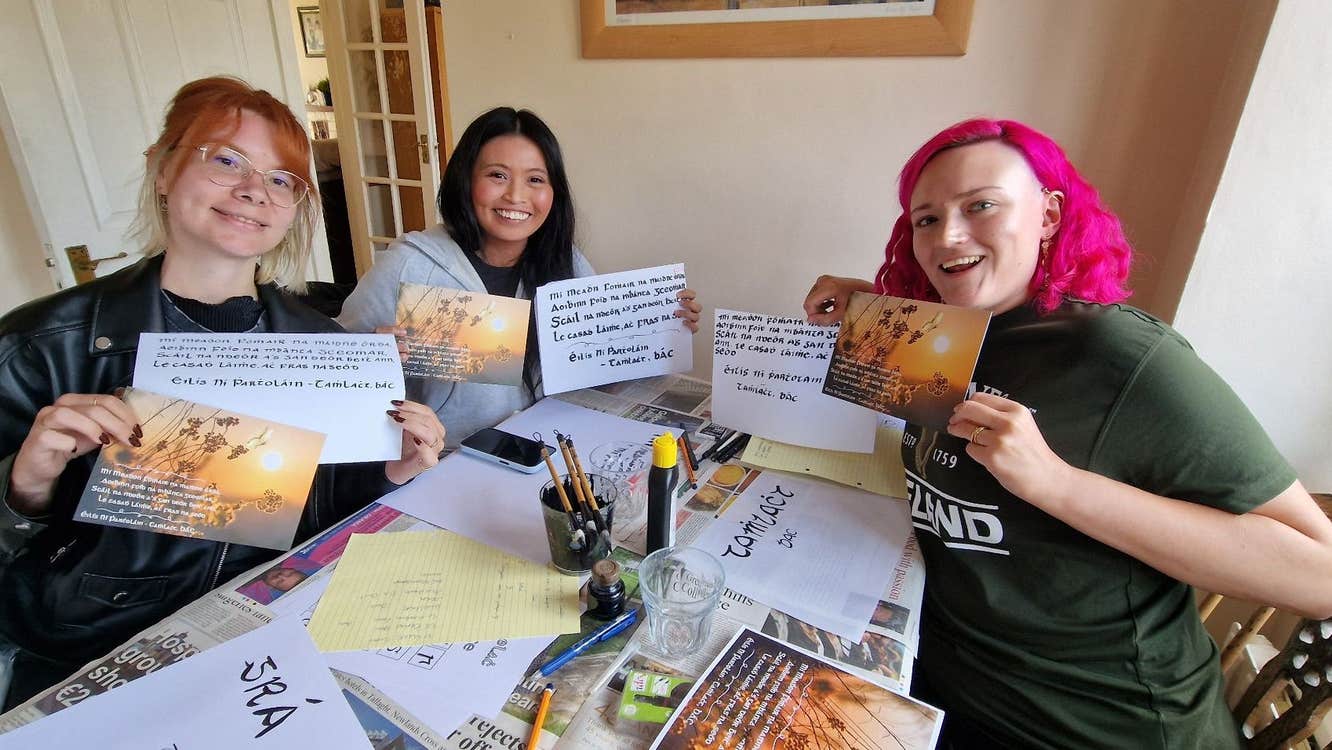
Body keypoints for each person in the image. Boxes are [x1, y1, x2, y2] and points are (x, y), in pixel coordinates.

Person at [803, 118, 1332, 749]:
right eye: (926, 220)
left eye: (981, 206)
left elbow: (1319, 576)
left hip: (1091, 725)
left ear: (1049, 215)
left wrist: (1056, 484)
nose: (949, 236)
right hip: (932, 681)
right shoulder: (943, 335)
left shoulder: (1124, 356)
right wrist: (868, 307)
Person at [0, 76, 446, 710]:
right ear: (161, 169)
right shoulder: (42, 344)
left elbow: (324, 515)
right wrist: (27, 488)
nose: (251, 191)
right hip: (92, 646)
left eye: (280, 179)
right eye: (226, 160)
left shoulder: (320, 342)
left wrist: (390, 472)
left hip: (275, 634)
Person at [338, 107, 702, 446]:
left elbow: (599, 371)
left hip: (554, 451)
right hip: (445, 463)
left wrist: (661, 328)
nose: (516, 195)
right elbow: (334, 377)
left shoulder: (567, 264)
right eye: (497, 175)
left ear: (553, 193)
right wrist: (370, 358)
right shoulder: (408, 266)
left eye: (535, 179)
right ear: (465, 181)